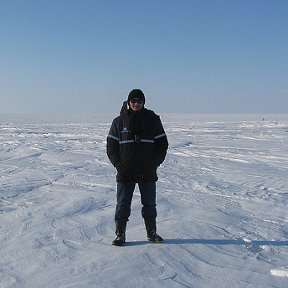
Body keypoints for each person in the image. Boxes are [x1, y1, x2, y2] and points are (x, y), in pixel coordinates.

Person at [106, 89, 169, 246]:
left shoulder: (153, 120)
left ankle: (151, 233)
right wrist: (119, 165)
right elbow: (111, 147)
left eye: (139, 101)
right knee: (122, 204)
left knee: (149, 204)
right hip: (125, 171)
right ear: (128, 102)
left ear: (143, 103)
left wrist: (154, 163)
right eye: (133, 101)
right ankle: (120, 234)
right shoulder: (119, 122)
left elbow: (162, 145)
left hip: (147, 171)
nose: (136, 104)